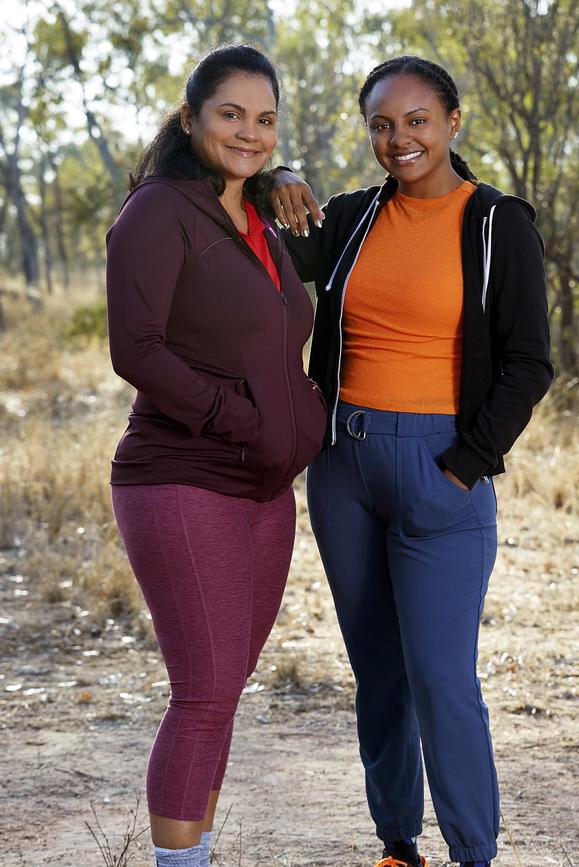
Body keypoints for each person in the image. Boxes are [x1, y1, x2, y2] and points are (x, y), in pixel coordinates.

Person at [271, 55, 554, 867]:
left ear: (453, 122)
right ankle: (398, 844)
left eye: (417, 120)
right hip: (345, 470)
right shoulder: (354, 217)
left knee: (441, 678)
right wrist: (281, 171)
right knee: (380, 675)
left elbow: (530, 361)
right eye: (382, 125)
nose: (399, 139)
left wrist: (465, 463)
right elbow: (265, 236)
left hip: (442, 470)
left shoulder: (500, 224)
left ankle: (475, 851)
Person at [105, 45, 326, 867]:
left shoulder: (257, 214)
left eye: (265, 120)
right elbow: (137, 348)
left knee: (224, 691)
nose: (249, 132)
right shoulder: (158, 211)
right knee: (201, 694)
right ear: (191, 116)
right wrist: (239, 417)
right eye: (230, 114)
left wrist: (281, 175)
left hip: (265, 488)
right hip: (181, 476)